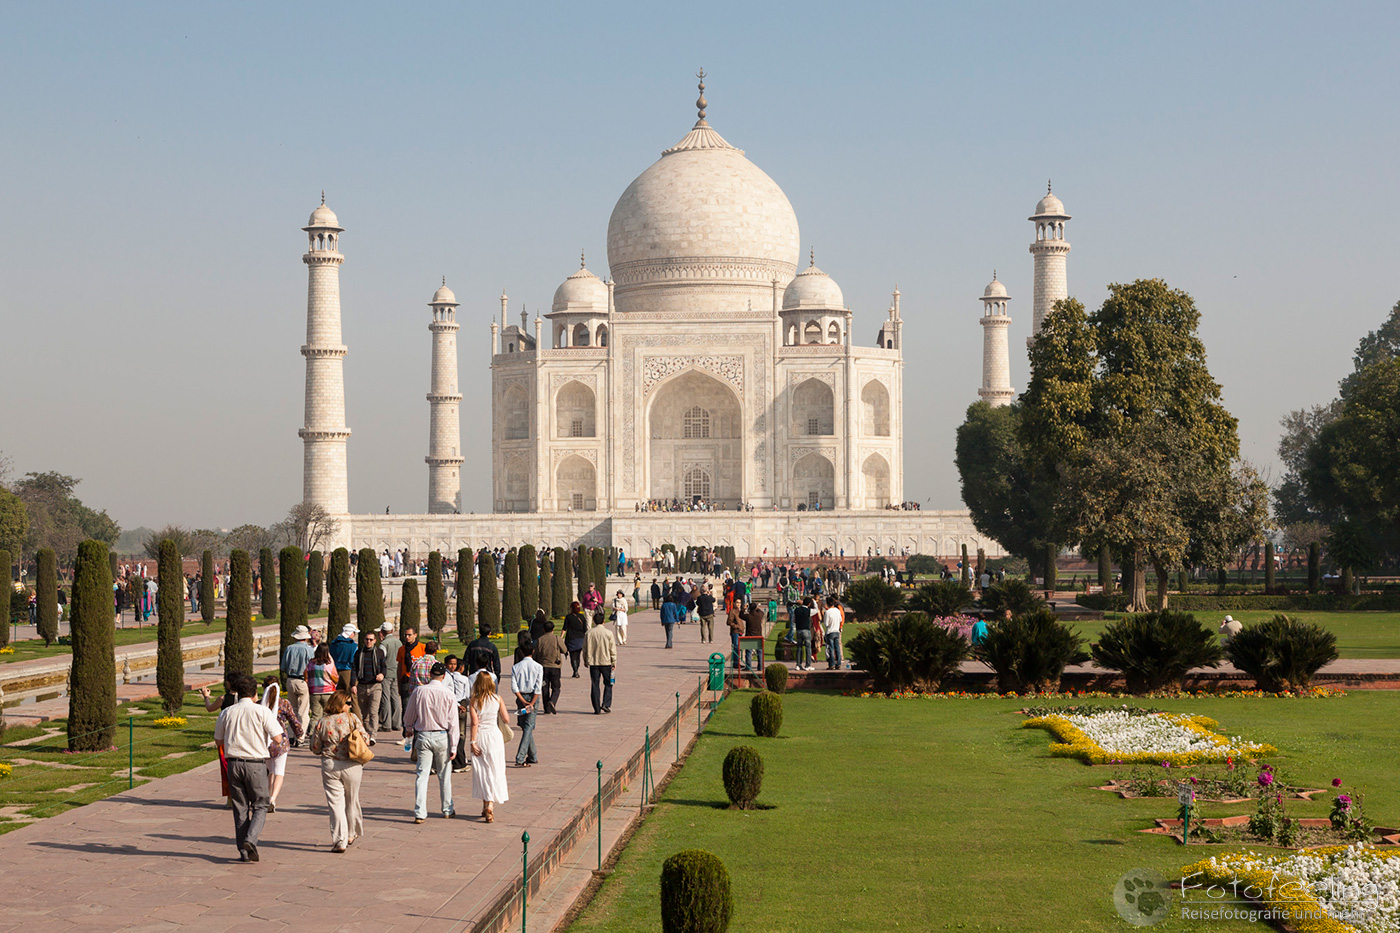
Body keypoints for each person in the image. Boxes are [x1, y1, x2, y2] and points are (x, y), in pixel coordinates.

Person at [213, 672, 283, 862]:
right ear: (254, 694)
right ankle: (250, 840)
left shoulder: (227, 712)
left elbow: (218, 740)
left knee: (240, 808)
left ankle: (243, 852)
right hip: (255, 763)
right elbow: (278, 738)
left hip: (233, 763)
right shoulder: (262, 712)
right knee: (261, 804)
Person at [308, 691, 369, 852]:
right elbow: (366, 739)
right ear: (340, 704)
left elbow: (315, 748)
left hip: (330, 765)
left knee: (336, 803)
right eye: (348, 703)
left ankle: (340, 840)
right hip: (352, 764)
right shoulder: (352, 719)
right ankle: (351, 833)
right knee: (352, 799)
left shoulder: (323, 722)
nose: (350, 706)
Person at [403, 661, 459, 823]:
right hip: (442, 735)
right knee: (444, 775)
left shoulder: (419, 691)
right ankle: (447, 808)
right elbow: (453, 722)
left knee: (422, 774)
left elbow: (409, 713)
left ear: (430, 674)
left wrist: (408, 728)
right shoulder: (448, 693)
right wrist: (454, 745)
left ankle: (420, 811)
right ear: (444, 676)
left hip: (423, 734)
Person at [468, 671, 509, 822]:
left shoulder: (474, 700)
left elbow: (474, 723)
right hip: (494, 736)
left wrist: (472, 742)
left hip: (481, 736)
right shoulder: (497, 699)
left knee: (483, 771)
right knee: (495, 769)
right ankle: (489, 805)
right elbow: (506, 719)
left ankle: (486, 803)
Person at [260, 677, 301, 813]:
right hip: (280, 741)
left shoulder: (260, 704)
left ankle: (267, 796)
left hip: (265, 741)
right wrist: (299, 733)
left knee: (269, 770)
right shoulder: (284, 703)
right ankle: (273, 798)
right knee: (279, 772)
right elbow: (293, 720)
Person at [511, 641, 543, 767]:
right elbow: (538, 687)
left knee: (527, 726)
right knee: (527, 726)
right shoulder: (538, 667)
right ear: (533, 651)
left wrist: (523, 701)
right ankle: (526, 756)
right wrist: (532, 703)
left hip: (522, 697)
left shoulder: (516, 667)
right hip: (532, 697)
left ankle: (528, 756)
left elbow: (514, 687)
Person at [354, 630, 386, 742]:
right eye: (367, 639)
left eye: (371, 640)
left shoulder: (379, 653)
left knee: (373, 712)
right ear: (364, 640)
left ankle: (373, 735)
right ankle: (367, 733)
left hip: (375, 686)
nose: (369, 642)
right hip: (362, 686)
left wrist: (382, 674)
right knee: (364, 714)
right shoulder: (359, 653)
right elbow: (354, 669)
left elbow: (384, 667)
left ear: (375, 641)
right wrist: (353, 684)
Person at [443, 655, 474, 772]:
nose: (453, 666)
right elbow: (447, 693)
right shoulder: (446, 677)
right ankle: (458, 762)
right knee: (458, 734)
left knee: (457, 734)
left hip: (458, 704)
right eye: (450, 664)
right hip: (454, 705)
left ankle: (459, 760)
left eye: (455, 664)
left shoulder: (451, 676)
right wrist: (459, 704)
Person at [280, 625, 314, 731]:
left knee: (292, 710)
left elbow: (283, 667)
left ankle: (291, 733)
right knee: (303, 711)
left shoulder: (289, 648)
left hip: (290, 680)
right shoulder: (308, 650)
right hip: (303, 680)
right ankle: (300, 736)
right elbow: (312, 667)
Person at [584, 612, 617, 714]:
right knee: (608, 683)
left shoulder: (589, 633)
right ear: (603, 621)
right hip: (606, 662)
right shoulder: (608, 633)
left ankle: (596, 708)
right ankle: (605, 704)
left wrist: (585, 660)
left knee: (595, 684)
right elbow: (612, 649)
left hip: (594, 662)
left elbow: (585, 649)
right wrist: (614, 661)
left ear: (594, 621)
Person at [305, 643, 339, 730]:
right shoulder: (329, 664)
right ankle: (327, 733)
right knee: (327, 715)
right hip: (328, 692)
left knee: (315, 716)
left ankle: (312, 733)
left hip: (314, 692)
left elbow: (305, 675)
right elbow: (336, 678)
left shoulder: (311, 663)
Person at [535, 620, 565, 714]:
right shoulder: (557, 638)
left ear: (543, 629)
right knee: (556, 687)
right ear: (553, 629)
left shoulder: (540, 640)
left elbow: (536, 654)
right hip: (555, 667)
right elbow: (564, 649)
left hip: (543, 667)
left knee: (544, 687)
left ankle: (547, 708)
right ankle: (552, 701)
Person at [378, 621, 403, 733]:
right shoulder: (399, 642)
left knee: (386, 698)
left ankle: (386, 724)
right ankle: (397, 723)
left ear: (382, 632)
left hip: (386, 673)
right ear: (392, 631)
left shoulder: (384, 644)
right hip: (396, 672)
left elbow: (381, 658)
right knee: (395, 697)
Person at [397, 627, 426, 710]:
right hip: (406, 680)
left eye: (409, 635)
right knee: (406, 706)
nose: (407, 637)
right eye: (406, 635)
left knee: (420, 707)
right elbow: (399, 667)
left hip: (419, 681)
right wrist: (399, 683)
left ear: (415, 635)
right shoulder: (401, 649)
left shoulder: (422, 648)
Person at [563, 602, 589, 676]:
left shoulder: (568, 617)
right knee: (578, 655)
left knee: (572, 656)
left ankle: (575, 670)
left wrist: (561, 637)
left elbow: (564, 628)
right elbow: (585, 629)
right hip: (580, 639)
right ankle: (576, 669)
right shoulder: (582, 617)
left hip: (571, 639)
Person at [821, 596, 844, 670]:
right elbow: (840, 620)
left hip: (830, 631)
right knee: (837, 647)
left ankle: (832, 664)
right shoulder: (837, 610)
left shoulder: (827, 612)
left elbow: (826, 624)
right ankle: (838, 663)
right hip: (836, 631)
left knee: (831, 648)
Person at [792, 597, 814, 671]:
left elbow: (793, 620)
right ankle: (808, 665)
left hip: (799, 630)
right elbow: (816, 610)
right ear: (809, 604)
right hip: (806, 630)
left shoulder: (796, 610)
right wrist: (814, 601)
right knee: (808, 648)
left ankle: (798, 664)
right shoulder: (808, 610)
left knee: (799, 648)